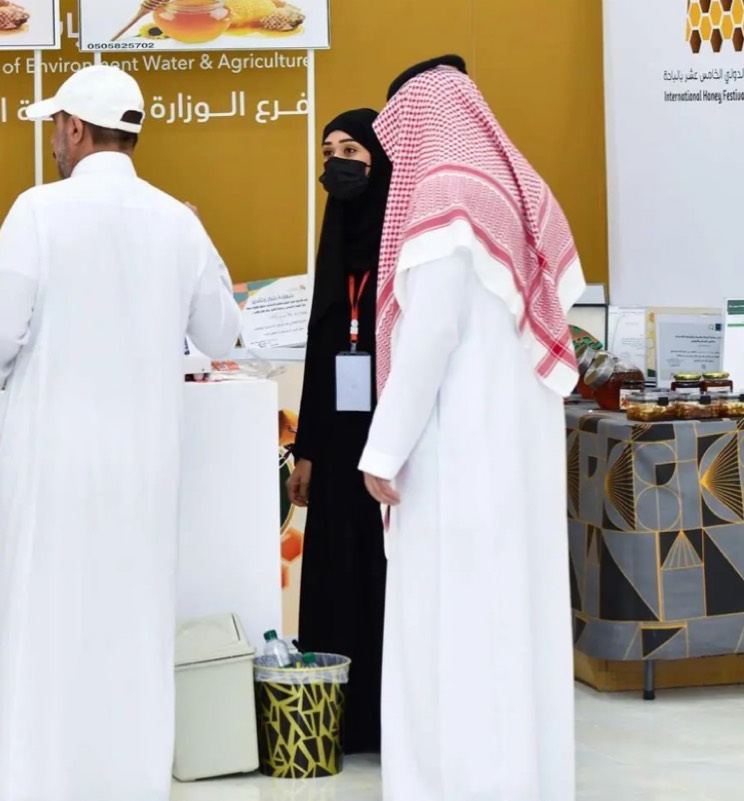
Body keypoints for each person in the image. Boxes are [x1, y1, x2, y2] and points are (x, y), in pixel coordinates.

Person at [0, 65, 241, 801]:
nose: (54, 142)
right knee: (134, 621)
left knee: (43, 618)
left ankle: (38, 783)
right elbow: (221, 333)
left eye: (56, 129)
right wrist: (202, 236)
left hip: (51, 459)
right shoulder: (176, 221)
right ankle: (128, 781)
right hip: (145, 466)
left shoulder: (37, 210)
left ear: (74, 129)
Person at [360, 56, 583, 801]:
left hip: (456, 457)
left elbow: (428, 336)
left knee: (451, 632)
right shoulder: (514, 190)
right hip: (514, 457)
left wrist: (383, 449)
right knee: (512, 627)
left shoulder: (443, 194)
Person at [286, 108, 391, 755]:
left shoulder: (403, 241)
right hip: (336, 443)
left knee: (382, 574)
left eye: (351, 150)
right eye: (329, 152)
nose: (336, 164)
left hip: (390, 442)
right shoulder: (335, 244)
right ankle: (339, 719)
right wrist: (306, 452)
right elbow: (321, 348)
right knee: (333, 570)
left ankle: (385, 715)